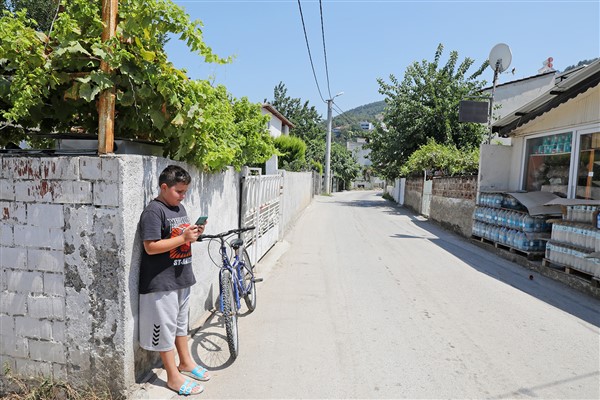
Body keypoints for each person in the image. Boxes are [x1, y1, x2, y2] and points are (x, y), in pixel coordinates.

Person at [138, 165, 210, 396]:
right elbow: (150, 247)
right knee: (166, 329)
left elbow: (179, 237)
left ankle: (185, 362)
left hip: (181, 277)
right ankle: (172, 376)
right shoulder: (153, 211)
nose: (182, 196)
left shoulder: (179, 208)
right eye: (179, 191)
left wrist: (193, 235)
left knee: (180, 325)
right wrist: (183, 238)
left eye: (185, 191)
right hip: (161, 283)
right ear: (164, 187)